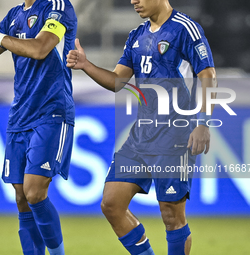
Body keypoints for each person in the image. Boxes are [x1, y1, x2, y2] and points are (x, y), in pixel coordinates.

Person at [67, 0, 216, 254]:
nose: (134, 1)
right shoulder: (136, 35)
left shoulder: (185, 29)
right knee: (111, 203)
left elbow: (207, 75)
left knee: (171, 216)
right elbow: (117, 81)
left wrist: (203, 122)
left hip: (175, 135)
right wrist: (86, 65)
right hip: (141, 136)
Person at [0, 0, 77, 254]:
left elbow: (41, 49)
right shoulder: (14, 15)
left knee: (34, 191)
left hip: (51, 111)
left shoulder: (57, 6)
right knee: (22, 198)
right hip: (20, 115)